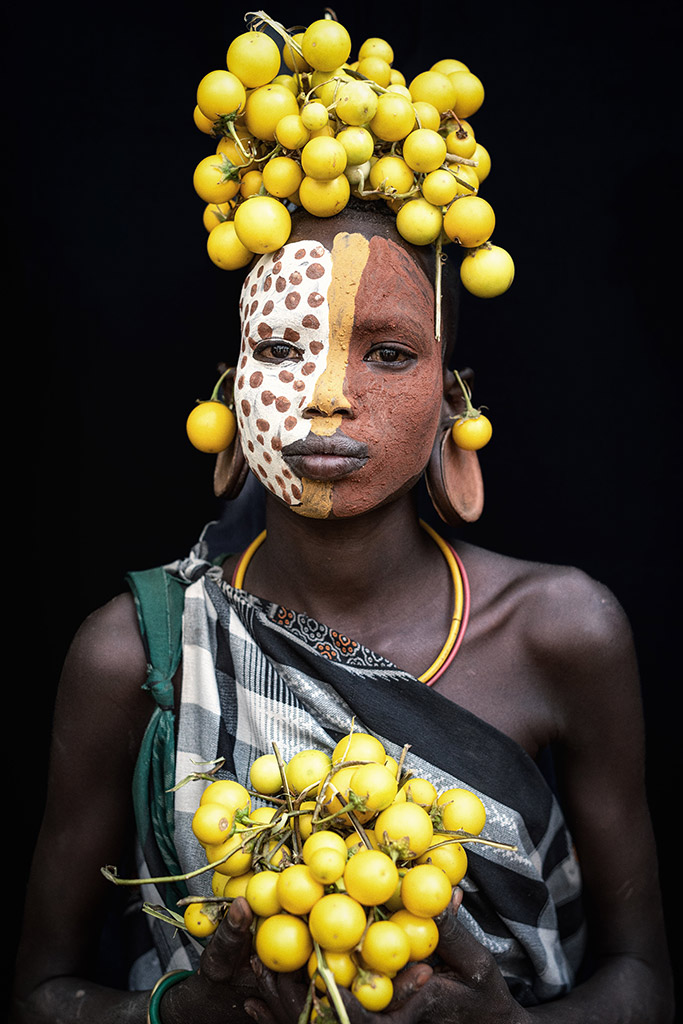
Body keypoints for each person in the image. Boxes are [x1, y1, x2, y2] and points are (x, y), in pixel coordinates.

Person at [10, 194, 674, 1023]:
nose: (327, 395)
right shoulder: (136, 654)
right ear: (230, 388)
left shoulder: (563, 633)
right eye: (282, 348)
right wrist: (189, 1013)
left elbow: (644, 984)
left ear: (453, 402)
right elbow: (37, 998)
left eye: (390, 354)